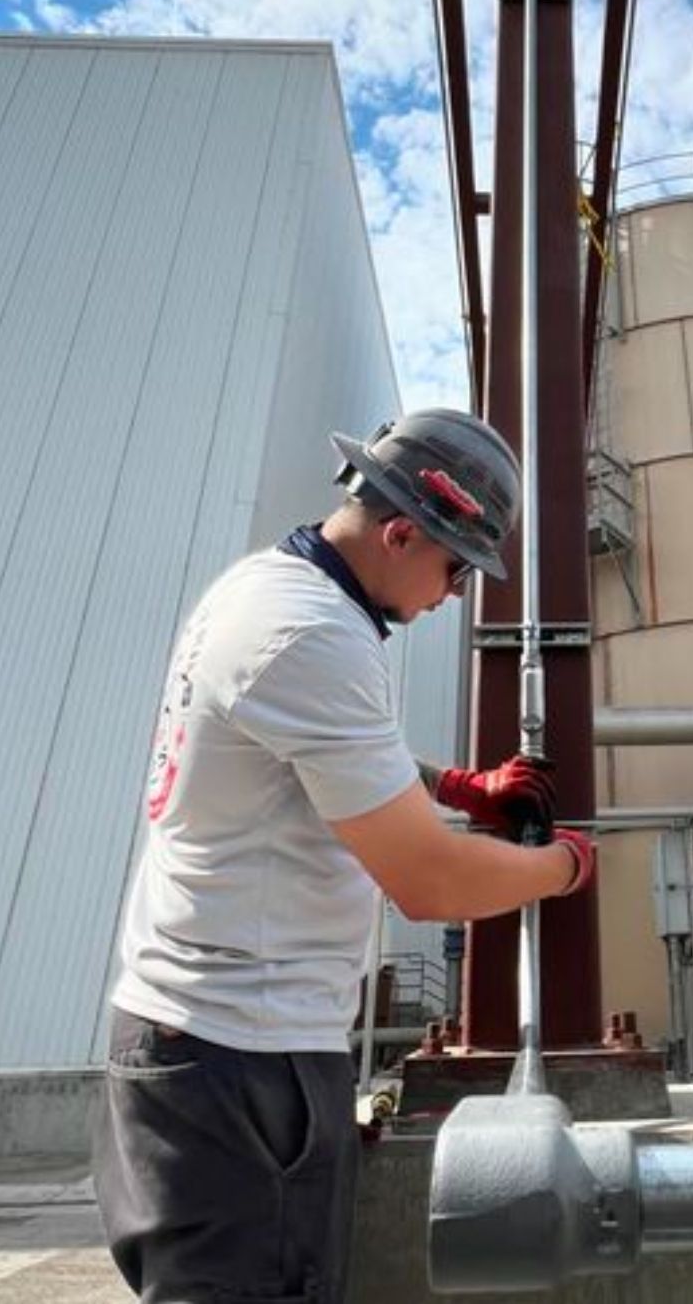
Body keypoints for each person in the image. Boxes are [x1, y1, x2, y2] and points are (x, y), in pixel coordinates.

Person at [93, 408, 596, 1304]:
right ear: (404, 531)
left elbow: (305, 755)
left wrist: (454, 785)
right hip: (241, 1061)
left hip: (198, 1039)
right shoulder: (313, 635)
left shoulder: (266, 590)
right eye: (453, 570)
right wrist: (565, 868)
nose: (450, 597)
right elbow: (430, 883)